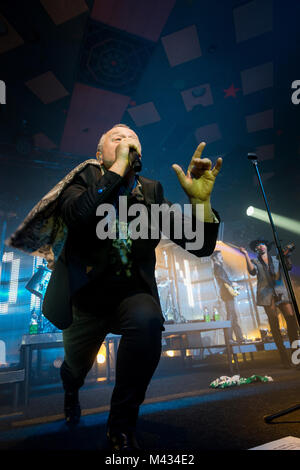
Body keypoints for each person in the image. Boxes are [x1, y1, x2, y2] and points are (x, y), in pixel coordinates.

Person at [7, 124, 221, 452]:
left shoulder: (150, 190)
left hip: (131, 294)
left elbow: (200, 245)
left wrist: (200, 203)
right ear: (99, 155)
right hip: (86, 300)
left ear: (140, 153)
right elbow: (79, 217)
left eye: (131, 139)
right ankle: (70, 390)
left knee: (148, 321)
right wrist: (117, 171)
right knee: (76, 367)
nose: (125, 141)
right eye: (116, 138)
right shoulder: (80, 181)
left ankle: (121, 425)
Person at [240, 239, 298, 367]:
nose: (260, 246)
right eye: (257, 246)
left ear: (266, 247)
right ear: (256, 249)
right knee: (274, 325)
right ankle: (284, 359)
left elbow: (288, 267)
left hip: (280, 291)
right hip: (266, 294)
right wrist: (245, 255)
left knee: (292, 322)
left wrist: (287, 256)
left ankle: (296, 356)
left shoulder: (276, 259)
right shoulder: (255, 261)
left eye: (262, 244)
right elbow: (252, 271)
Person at [211, 250, 244, 343]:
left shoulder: (219, 267)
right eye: (220, 256)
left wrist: (233, 285)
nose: (222, 257)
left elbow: (225, 279)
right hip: (227, 294)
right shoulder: (217, 267)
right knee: (231, 316)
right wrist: (233, 284)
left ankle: (239, 338)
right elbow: (224, 279)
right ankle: (229, 339)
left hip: (228, 293)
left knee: (233, 316)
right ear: (215, 258)